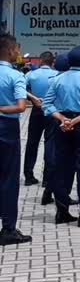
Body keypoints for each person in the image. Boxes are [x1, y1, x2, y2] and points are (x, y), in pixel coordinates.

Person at [44, 46, 80, 228]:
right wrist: (74, 121)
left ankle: (62, 211)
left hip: (62, 125)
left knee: (62, 168)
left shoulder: (57, 79)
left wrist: (63, 119)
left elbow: (47, 104)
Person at [0, 33, 30, 246]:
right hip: (7, 128)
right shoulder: (15, 76)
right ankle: (8, 229)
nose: (19, 53)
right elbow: (20, 106)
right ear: (10, 51)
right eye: (17, 49)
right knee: (9, 178)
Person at [23, 51, 56, 187]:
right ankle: (47, 179)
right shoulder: (57, 75)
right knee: (50, 144)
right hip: (52, 112)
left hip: (37, 110)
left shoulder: (30, 74)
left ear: (41, 61)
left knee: (32, 143)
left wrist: (32, 98)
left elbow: (20, 88)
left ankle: (28, 176)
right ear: (52, 62)